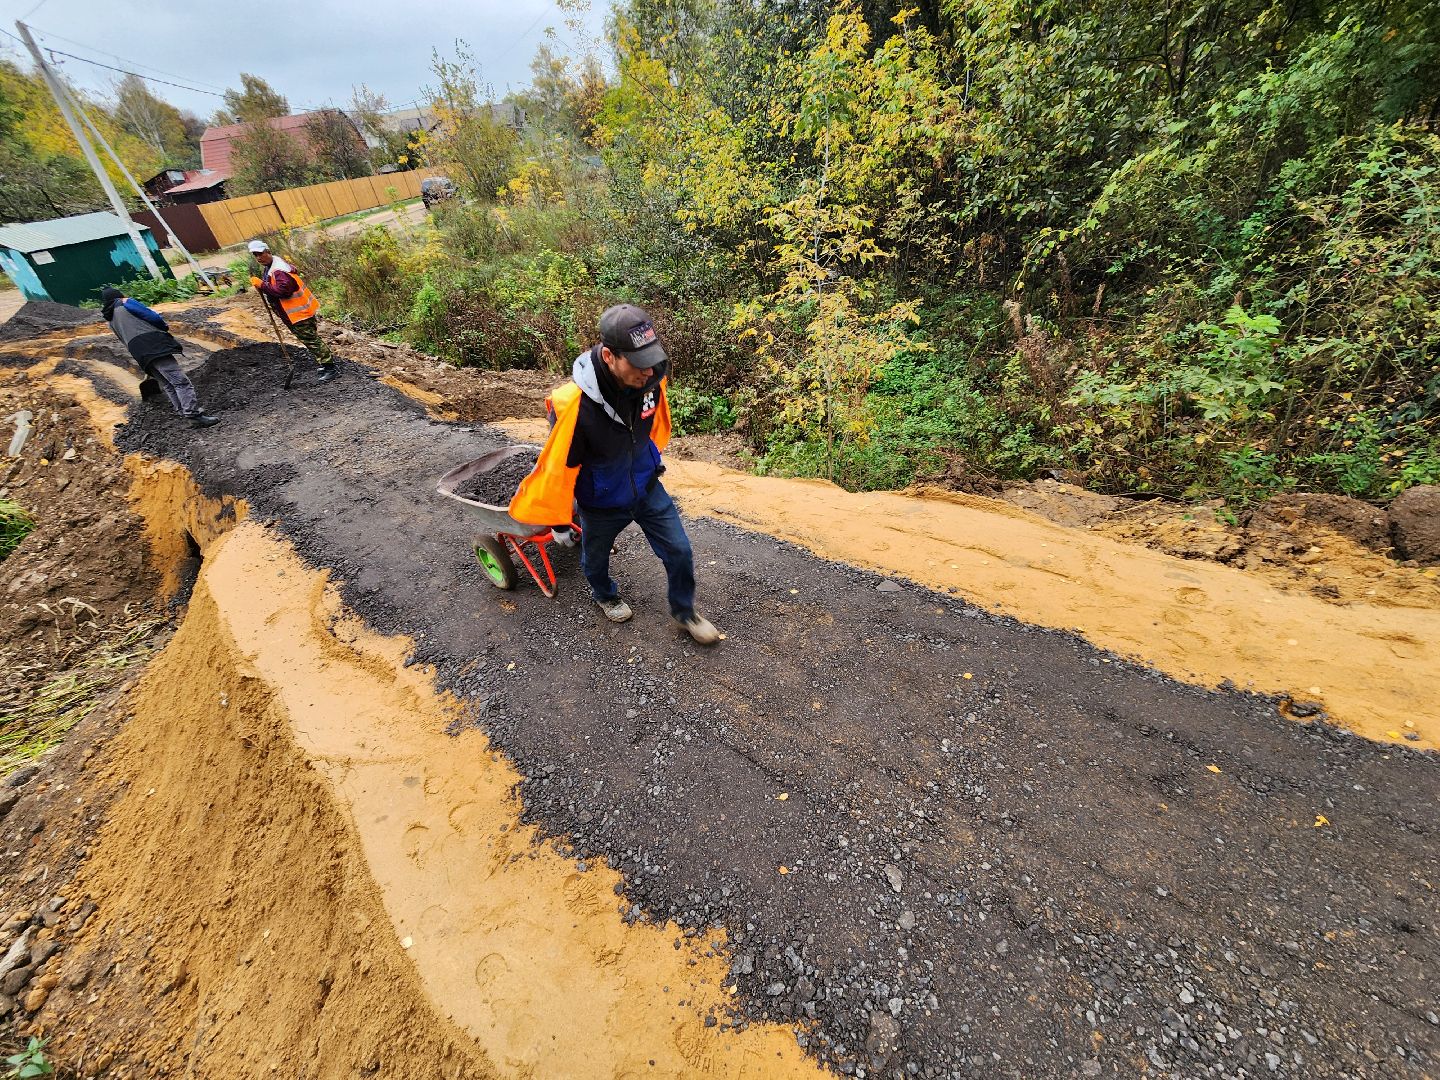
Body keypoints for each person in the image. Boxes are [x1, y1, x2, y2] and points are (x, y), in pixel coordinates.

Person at [509, 304, 720, 645]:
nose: (649, 371)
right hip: (602, 500)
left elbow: (651, 427)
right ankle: (605, 594)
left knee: (679, 550)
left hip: (646, 486)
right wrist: (562, 521)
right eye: (638, 363)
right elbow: (562, 466)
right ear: (609, 356)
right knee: (594, 557)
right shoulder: (574, 405)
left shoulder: (651, 378)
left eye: (652, 360)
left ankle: (685, 612)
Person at [100, 287, 218, 429]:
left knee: (168, 384)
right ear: (119, 296)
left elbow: (122, 339)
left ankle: (184, 413)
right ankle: (193, 416)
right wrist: (163, 327)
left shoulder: (111, 319)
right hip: (153, 345)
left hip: (138, 352)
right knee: (181, 382)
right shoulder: (126, 302)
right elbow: (152, 317)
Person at [247, 239, 338, 384]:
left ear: (268, 252)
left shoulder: (278, 271)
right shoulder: (271, 267)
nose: (258, 258)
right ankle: (324, 363)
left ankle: (330, 368)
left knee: (312, 341)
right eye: (255, 255)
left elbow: (284, 291)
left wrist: (262, 285)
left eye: (260, 254)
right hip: (296, 313)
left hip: (298, 314)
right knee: (311, 340)